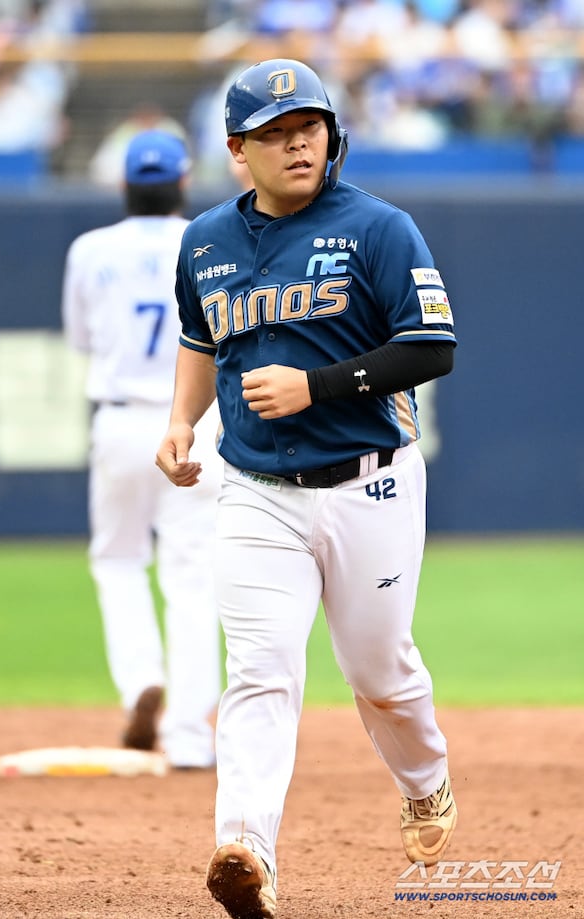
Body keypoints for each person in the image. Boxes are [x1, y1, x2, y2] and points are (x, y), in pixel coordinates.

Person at [156, 59, 458, 918]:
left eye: (310, 128)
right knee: (259, 670)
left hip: (372, 482)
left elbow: (432, 346)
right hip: (257, 488)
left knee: (378, 670)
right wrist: (181, 421)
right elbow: (201, 337)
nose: (297, 145)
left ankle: (426, 780)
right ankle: (246, 849)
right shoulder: (205, 240)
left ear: (332, 135)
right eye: (276, 133)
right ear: (237, 150)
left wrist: (317, 386)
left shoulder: (378, 227)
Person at [62, 130, 222, 770]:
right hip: (195, 420)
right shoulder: (208, 240)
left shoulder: (90, 249)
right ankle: (188, 736)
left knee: (119, 560)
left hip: (122, 419)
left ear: (124, 184)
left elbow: (81, 339)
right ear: (183, 181)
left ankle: (140, 683)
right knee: (192, 576)